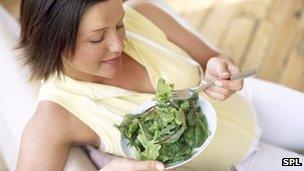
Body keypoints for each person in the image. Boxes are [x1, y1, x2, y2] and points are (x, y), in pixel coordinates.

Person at [15, 0, 304, 170]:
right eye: (96, 38)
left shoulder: (142, 11)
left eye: (119, 24)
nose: (119, 44)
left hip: (255, 104)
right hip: (240, 163)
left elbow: (211, 58)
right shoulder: (54, 118)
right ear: (50, 42)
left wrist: (218, 65)